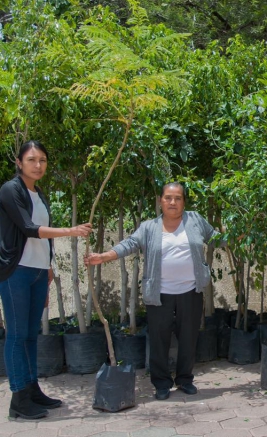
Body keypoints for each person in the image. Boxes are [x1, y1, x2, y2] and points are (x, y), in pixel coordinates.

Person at [84, 182, 221, 400]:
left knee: (188, 338)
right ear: (160, 201)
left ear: (184, 201)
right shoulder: (149, 227)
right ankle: (161, 383)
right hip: (159, 294)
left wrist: (242, 235)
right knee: (159, 339)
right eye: (168, 197)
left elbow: (217, 238)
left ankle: (185, 379)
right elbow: (130, 244)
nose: (173, 202)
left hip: (190, 291)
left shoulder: (195, 220)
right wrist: (104, 256)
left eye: (177, 198)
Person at [0, 141, 92, 419]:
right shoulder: (9, 190)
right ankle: (18, 400)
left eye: (42, 160)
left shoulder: (39, 194)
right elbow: (28, 229)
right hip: (16, 271)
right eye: (31, 160)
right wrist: (71, 231)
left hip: (38, 271)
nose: (37, 165)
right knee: (16, 335)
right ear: (19, 163)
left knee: (31, 334)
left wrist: (49, 267)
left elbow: (41, 241)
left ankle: (32, 390)